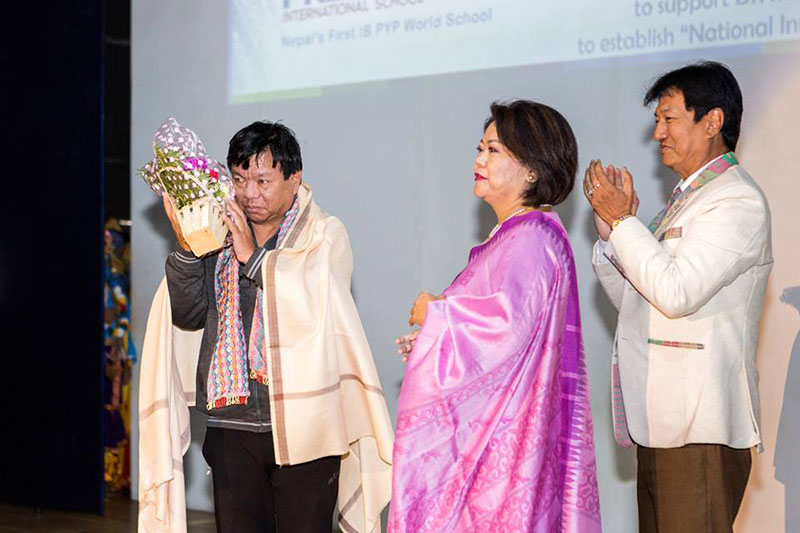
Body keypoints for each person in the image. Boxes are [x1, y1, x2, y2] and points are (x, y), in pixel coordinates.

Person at [138, 121, 393, 533]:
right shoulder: (215, 231)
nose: (249, 194)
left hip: (306, 425)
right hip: (231, 422)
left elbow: (318, 307)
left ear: (295, 179)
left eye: (262, 181)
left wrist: (255, 259)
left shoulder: (323, 235)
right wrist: (186, 249)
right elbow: (186, 316)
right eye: (239, 180)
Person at [389, 100, 601, 532]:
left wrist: (437, 314)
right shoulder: (517, 235)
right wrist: (437, 330)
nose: (479, 161)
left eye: (493, 150)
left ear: (532, 170)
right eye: (480, 149)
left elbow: (505, 330)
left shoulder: (531, 239)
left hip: (507, 447)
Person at [585, 61, 772, 532]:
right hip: (661, 423)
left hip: (700, 427)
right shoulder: (685, 200)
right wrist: (612, 235)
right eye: (656, 121)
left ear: (712, 122)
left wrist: (625, 223)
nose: (658, 134)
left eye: (669, 118)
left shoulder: (735, 200)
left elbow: (675, 293)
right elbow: (637, 302)